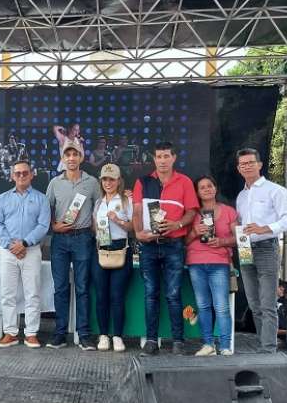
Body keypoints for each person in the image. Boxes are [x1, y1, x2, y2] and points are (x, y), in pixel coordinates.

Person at [132, 141, 198, 356]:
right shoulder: (143, 182)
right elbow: (136, 211)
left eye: (166, 156)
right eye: (158, 157)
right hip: (149, 247)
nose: (162, 160)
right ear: (154, 159)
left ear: (174, 158)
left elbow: (191, 213)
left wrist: (176, 224)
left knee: (173, 293)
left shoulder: (185, 182)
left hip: (174, 245)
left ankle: (178, 341)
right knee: (150, 294)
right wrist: (139, 233)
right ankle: (151, 341)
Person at [235, 148, 287, 353]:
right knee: (253, 302)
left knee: (267, 301)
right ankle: (263, 344)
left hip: (266, 247)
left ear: (259, 165)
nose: (247, 166)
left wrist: (266, 228)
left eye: (250, 162)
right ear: (238, 168)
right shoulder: (241, 196)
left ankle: (269, 349)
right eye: (243, 164)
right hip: (245, 248)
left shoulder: (275, 190)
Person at [45, 141, 102, 351]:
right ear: (62, 158)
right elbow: (46, 209)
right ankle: (59, 333)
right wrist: (54, 226)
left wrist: (98, 237)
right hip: (59, 240)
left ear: (81, 158)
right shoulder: (54, 183)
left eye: (75, 154)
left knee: (82, 287)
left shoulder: (92, 182)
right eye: (67, 154)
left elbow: (99, 210)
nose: (71, 158)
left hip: (83, 238)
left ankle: (84, 334)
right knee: (60, 288)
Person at [0, 160, 50, 348]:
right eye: (18, 173)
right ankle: (10, 333)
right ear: (12, 176)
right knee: (7, 293)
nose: (22, 176)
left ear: (31, 174)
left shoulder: (42, 199)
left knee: (32, 293)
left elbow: (43, 225)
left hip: (31, 250)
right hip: (8, 251)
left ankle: (31, 333)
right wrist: (12, 245)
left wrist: (24, 243)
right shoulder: (2, 199)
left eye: (25, 173)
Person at [185, 175, 237, 356]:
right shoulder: (192, 213)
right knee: (203, 306)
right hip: (195, 263)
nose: (206, 189)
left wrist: (222, 241)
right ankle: (208, 344)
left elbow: (239, 238)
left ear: (215, 189)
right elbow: (182, 241)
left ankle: (225, 345)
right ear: (197, 192)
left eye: (210, 186)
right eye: (202, 187)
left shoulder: (229, 211)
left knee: (221, 306)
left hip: (219, 263)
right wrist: (193, 232)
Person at [92, 164, 134, 352]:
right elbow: (94, 227)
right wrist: (99, 228)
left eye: (112, 179)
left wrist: (117, 220)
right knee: (101, 296)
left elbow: (133, 227)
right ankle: (103, 335)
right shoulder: (98, 202)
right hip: (101, 249)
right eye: (105, 179)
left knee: (117, 296)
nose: (108, 183)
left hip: (120, 249)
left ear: (118, 180)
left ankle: (117, 336)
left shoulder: (126, 200)